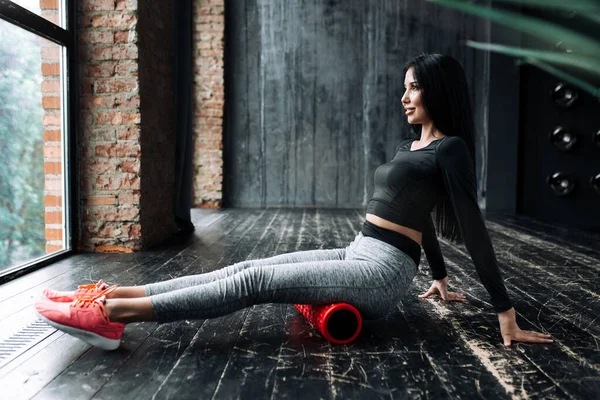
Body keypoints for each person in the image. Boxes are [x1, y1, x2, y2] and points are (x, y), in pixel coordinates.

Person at [35, 54, 552, 351]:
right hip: (360, 252)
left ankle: (111, 315)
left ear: (437, 91)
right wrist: (438, 277)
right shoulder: (413, 147)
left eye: (413, 88)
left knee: (255, 284)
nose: (404, 97)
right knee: (250, 264)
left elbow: (472, 227)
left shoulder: (452, 149)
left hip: (382, 275)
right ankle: (112, 295)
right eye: (404, 88)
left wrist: (504, 312)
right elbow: (424, 217)